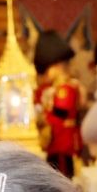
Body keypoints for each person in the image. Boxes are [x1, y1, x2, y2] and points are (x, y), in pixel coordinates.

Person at [34, 30, 85, 178]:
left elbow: (60, 112)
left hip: (64, 143)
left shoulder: (66, 88)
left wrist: (44, 119)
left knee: (63, 177)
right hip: (56, 143)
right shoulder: (55, 88)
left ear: (57, 66)